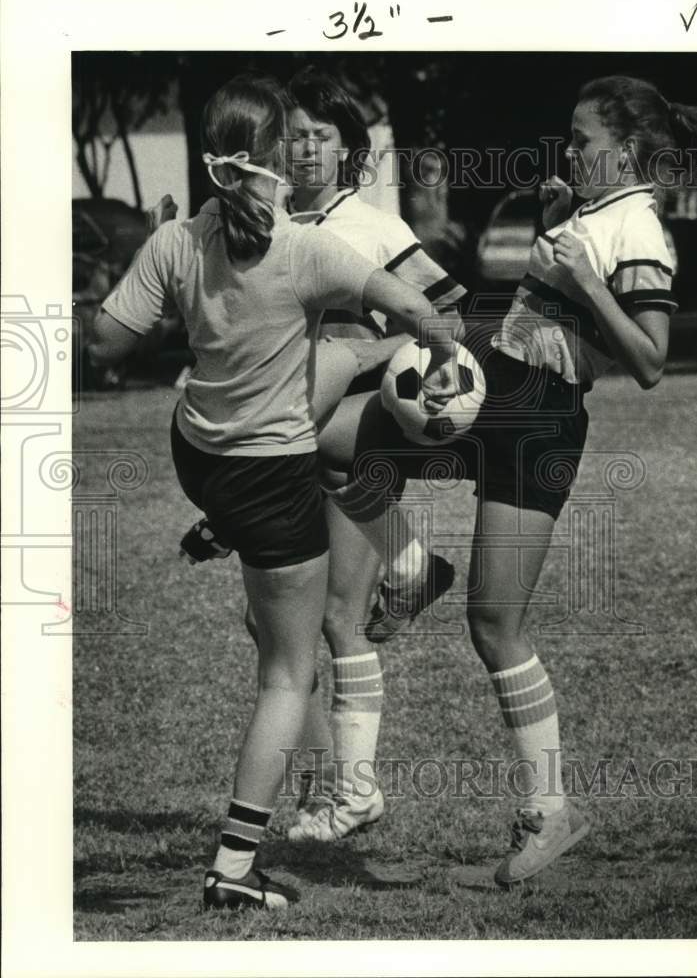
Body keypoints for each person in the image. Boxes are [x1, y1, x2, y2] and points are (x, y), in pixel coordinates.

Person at [313, 74, 697, 886]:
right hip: (496, 379)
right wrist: (559, 224)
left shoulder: (639, 226)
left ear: (628, 150)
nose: (569, 150)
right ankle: (410, 564)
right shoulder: (595, 211)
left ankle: (548, 812)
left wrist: (586, 282)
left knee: (494, 622)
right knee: (331, 442)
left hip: (541, 417)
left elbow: (650, 362)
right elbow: (551, 292)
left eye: (584, 139)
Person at [88, 73, 461, 910]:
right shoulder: (311, 250)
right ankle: (233, 869)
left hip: (198, 454)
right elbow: (433, 313)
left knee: (271, 612)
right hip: (267, 470)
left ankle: (388, 556)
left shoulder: (175, 241)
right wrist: (432, 360)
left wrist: (155, 271)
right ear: (271, 164)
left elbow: (107, 345)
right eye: (288, 140)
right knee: (288, 673)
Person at [177, 67, 468, 842]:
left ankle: (352, 794)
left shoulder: (372, 227)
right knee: (271, 627)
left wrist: (356, 355)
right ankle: (322, 787)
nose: (305, 148)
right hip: (280, 447)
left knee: (334, 618)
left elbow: (445, 317)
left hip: (344, 433)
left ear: (349, 150)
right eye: (294, 134)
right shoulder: (253, 224)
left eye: (321, 136)